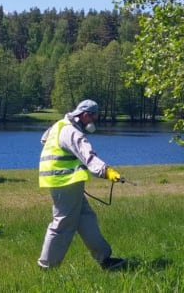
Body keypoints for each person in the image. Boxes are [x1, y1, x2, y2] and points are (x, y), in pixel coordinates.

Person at [37, 99, 127, 271]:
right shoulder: (72, 132)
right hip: (64, 182)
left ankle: (105, 259)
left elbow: (44, 140)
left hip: (66, 182)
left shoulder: (59, 126)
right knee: (62, 223)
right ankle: (46, 267)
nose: (93, 122)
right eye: (93, 118)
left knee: (86, 219)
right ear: (85, 115)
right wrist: (106, 171)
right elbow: (88, 156)